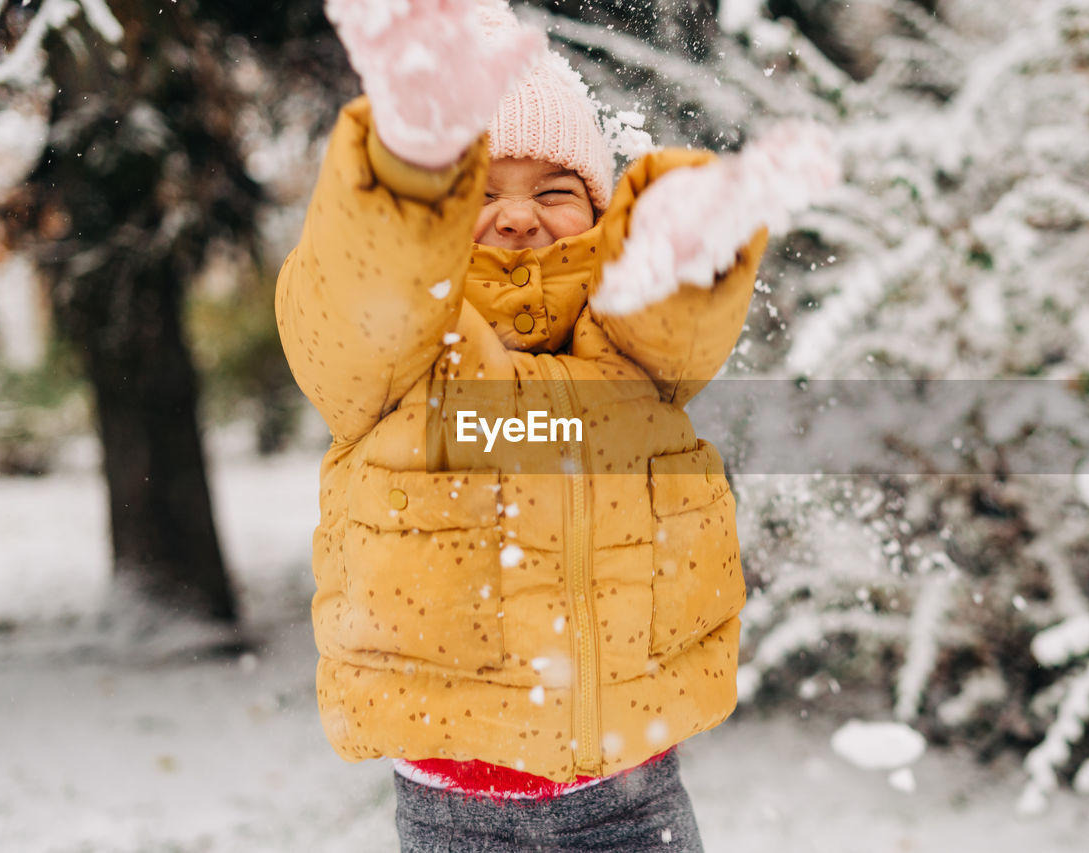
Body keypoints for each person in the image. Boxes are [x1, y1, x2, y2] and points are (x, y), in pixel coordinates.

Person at [277, 1, 838, 849]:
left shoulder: (627, 350)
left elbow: (669, 314)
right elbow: (361, 289)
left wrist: (693, 239)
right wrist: (413, 171)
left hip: (632, 791)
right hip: (457, 799)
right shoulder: (403, 358)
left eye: (555, 190)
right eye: (480, 191)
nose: (518, 215)